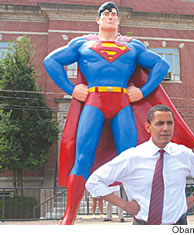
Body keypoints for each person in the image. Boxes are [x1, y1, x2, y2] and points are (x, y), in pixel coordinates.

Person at [43, 2, 169, 225]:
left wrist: (143, 91)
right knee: (82, 158)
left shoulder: (133, 46)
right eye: (106, 14)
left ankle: (142, 216)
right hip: (94, 103)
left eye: (114, 14)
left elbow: (161, 64)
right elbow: (51, 61)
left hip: (122, 104)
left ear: (119, 21)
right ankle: (69, 216)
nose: (110, 16)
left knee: (130, 159)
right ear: (98, 20)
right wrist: (71, 89)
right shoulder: (82, 44)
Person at [86, 105, 194, 225]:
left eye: (170, 123)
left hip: (178, 224)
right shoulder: (132, 157)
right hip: (144, 225)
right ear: (148, 127)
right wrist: (124, 205)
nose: (166, 128)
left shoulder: (183, 154)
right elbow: (93, 182)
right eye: (159, 123)